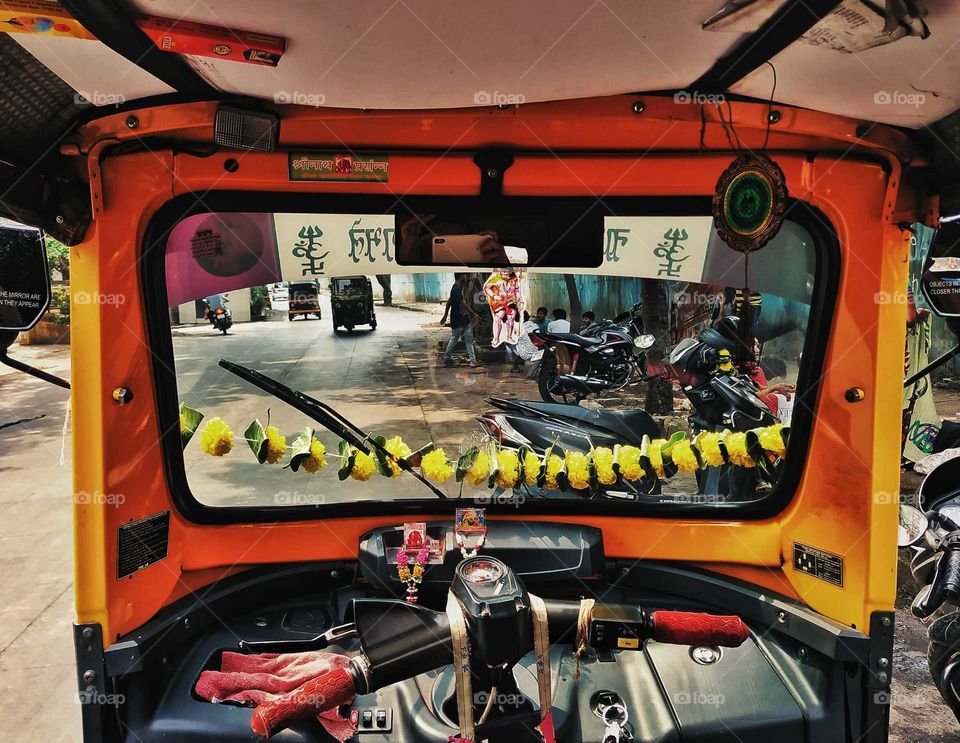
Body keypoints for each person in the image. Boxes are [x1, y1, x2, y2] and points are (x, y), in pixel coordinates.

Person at [442, 274, 481, 367]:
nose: (466, 278)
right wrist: (473, 313)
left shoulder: (458, 288)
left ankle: (473, 360)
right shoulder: (456, 289)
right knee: (454, 339)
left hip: (464, 319)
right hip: (458, 319)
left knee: (468, 340)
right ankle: (447, 357)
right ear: (460, 277)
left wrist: (445, 315)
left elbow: (449, 302)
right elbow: (463, 303)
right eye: (464, 276)